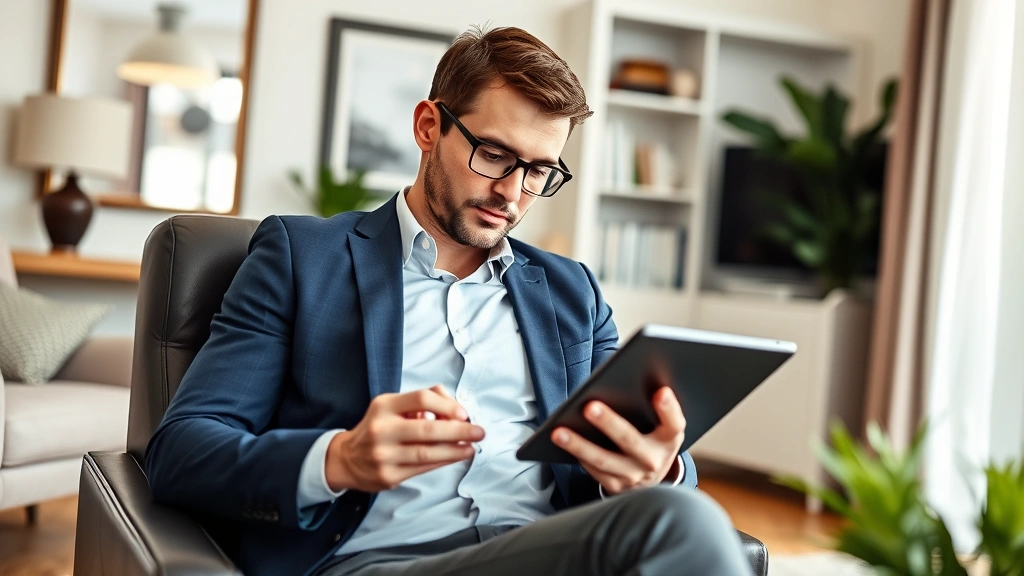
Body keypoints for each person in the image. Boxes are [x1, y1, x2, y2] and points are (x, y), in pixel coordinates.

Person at [146, 25, 751, 576]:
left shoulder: (572, 293)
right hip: (375, 561)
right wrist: (340, 458)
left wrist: (656, 472)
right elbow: (183, 450)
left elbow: (643, 459)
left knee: (677, 511)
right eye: (493, 154)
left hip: (552, 552)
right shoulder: (303, 258)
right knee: (687, 524)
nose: (512, 193)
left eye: (539, 171)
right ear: (428, 127)